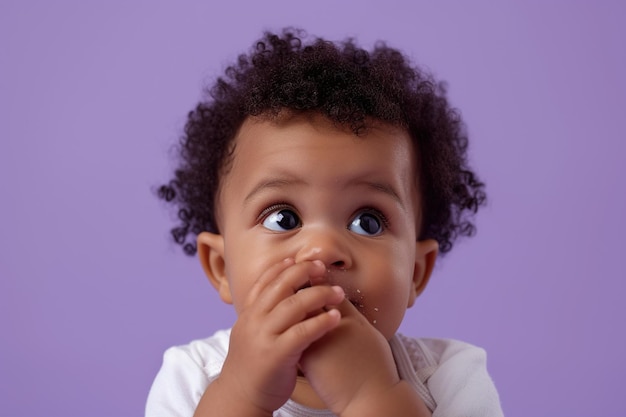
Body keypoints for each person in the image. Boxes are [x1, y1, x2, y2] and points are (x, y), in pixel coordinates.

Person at [147, 28, 503, 417]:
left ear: (416, 272)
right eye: (284, 218)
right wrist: (242, 397)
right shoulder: (194, 377)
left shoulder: (448, 377)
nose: (322, 249)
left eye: (368, 221)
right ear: (221, 268)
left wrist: (371, 395)